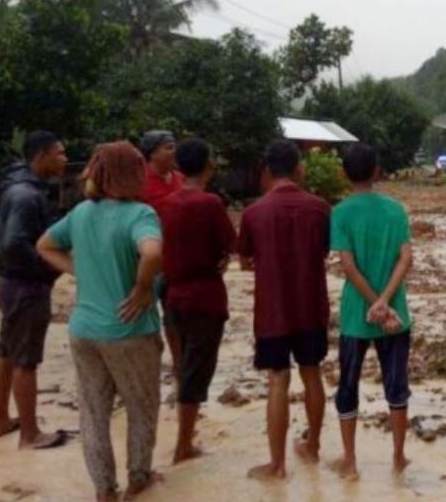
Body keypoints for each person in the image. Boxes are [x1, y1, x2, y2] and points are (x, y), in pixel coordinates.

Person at [37, 141, 164, 502]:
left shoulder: (80, 214)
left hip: (84, 331)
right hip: (130, 332)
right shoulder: (140, 214)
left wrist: (78, 269)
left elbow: (44, 245)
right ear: (131, 173)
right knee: (142, 409)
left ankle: (104, 491)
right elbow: (152, 252)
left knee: (93, 415)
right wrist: (142, 288)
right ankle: (138, 478)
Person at [237, 141, 331, 481]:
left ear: (266, 172)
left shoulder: (253, 213)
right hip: (311, 308)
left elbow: (244, 259)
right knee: (312, 373)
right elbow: (323, 251)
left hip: (272, 312)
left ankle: (276, 466)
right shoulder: (320, 208)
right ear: (298, 169)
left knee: (277, 380)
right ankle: (313, 447)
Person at [330, 142, 414, 480]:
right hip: (396, 314)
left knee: (347, 385)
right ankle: (398, 457)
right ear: (377, 171)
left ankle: (349, 462)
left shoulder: (340, 213)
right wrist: (386, 302)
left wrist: (372, 302)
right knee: (397, 385)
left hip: (355, 314)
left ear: (343, 174)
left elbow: (347, 267)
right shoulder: (396, 210)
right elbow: (406, 258)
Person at [155, 139, 236, 464]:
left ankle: (185, 433)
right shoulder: (209, 204)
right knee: (196, 372)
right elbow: (231, 243)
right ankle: (183, 445)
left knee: (183, 363)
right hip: (205, 297)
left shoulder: (167, 204)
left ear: (177, 167)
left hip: (173, 294)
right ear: (209, 166)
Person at [0, 130, 68, 449]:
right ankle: (30, 434)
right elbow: (14, 244)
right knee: (26, 359)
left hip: (9, 282)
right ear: (41, 156)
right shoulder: (27, 195)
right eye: (60, 153)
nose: (64, 159)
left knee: (6, 351)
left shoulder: (19, 188)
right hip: (26, 286)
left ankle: (0, 421)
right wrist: (50, 266)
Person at [138, 130, 184, 390]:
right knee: (143, 315)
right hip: (147, 262)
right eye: (168, 147)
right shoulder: (138, 182)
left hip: (177, 261)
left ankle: (178, 367)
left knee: (174, 317)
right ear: (152, 152)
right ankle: (145, 369)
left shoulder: (180, 179)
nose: (173, 152)